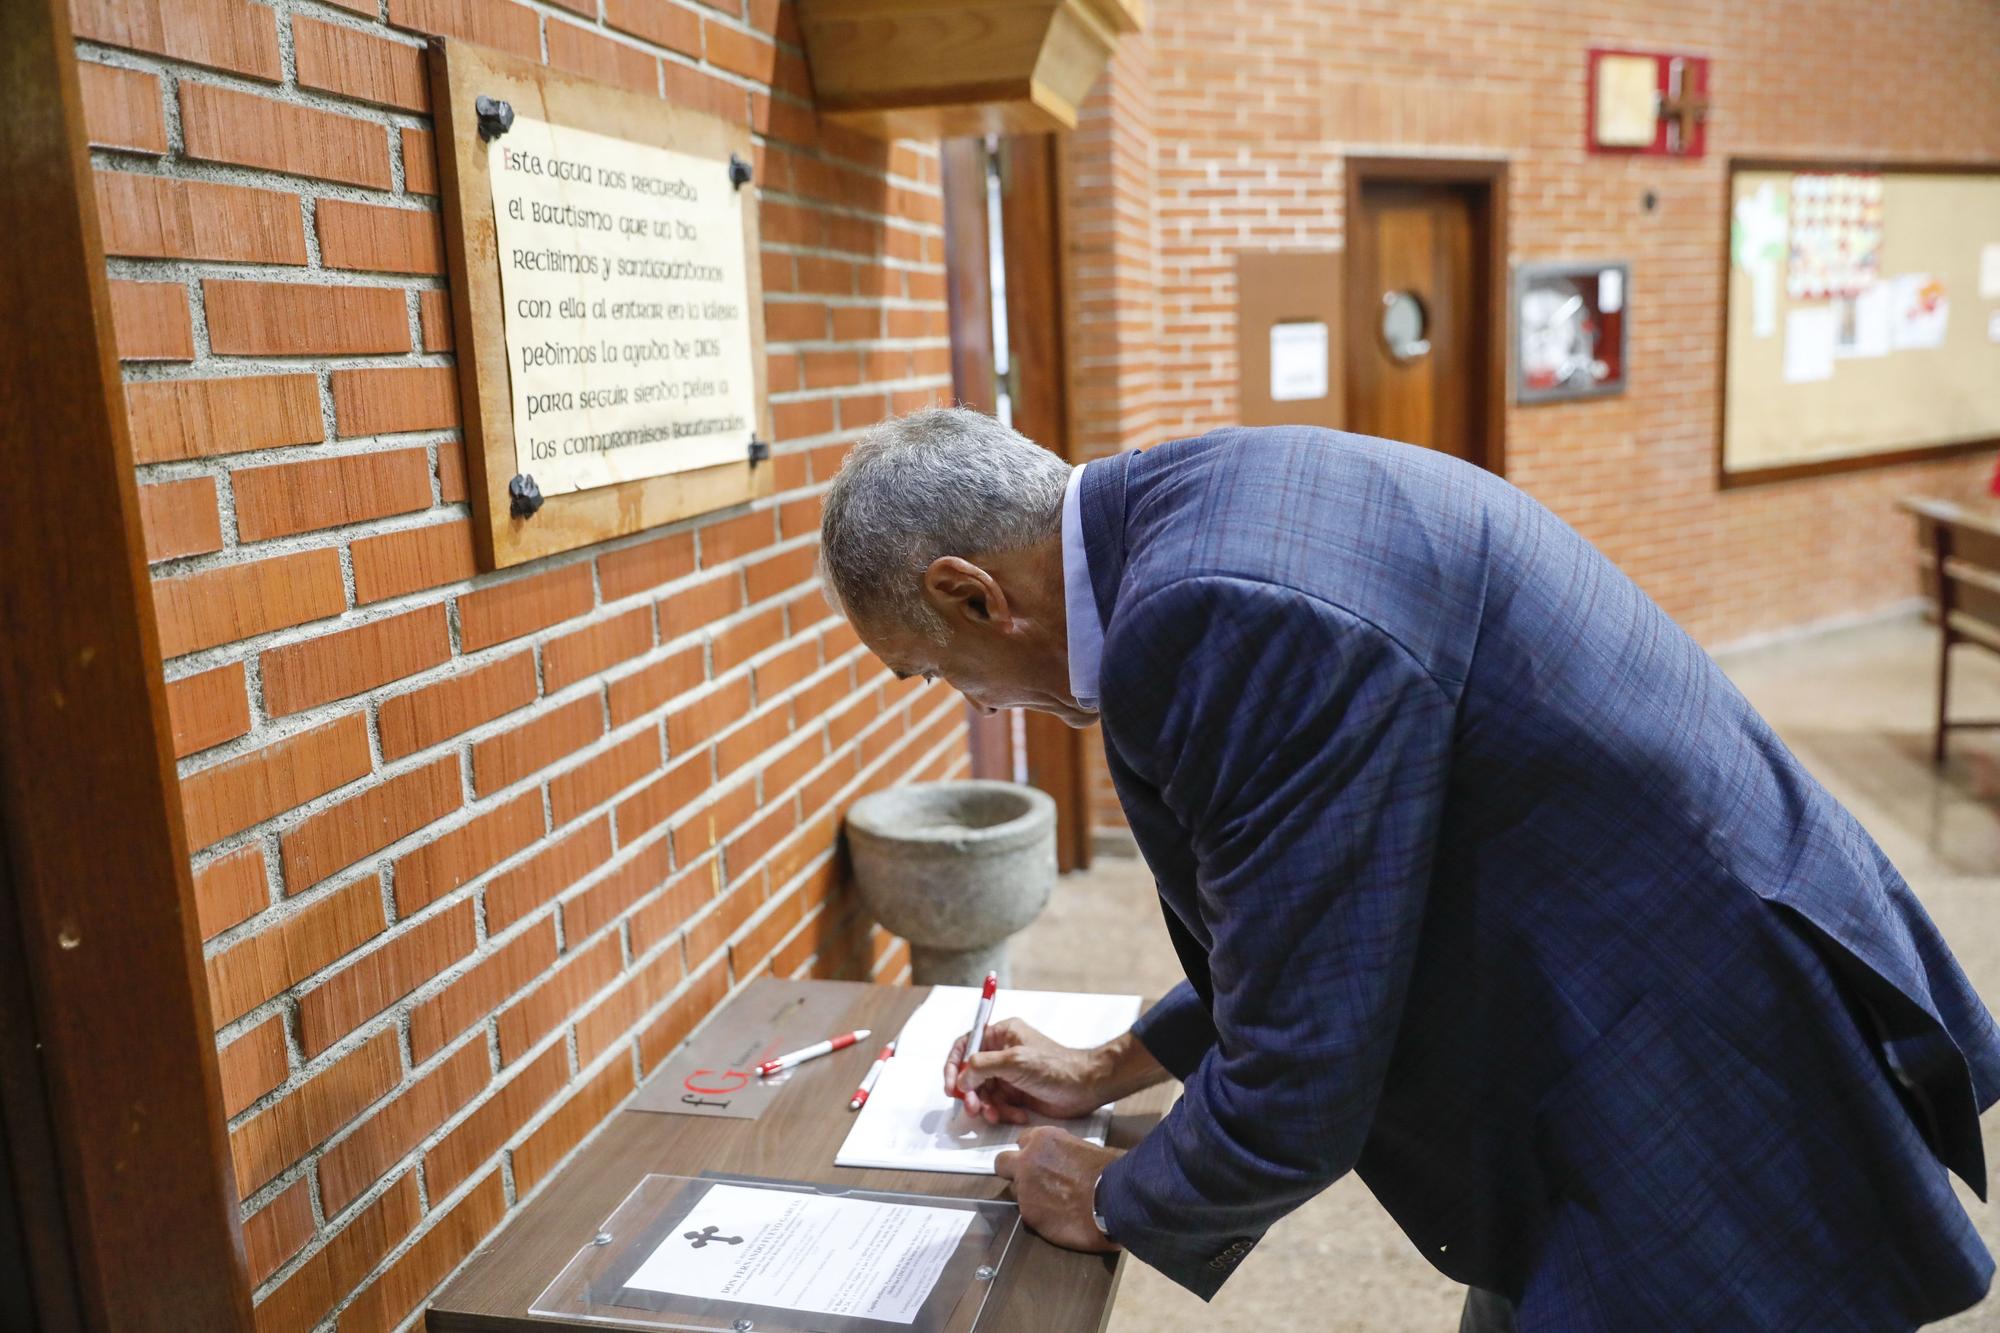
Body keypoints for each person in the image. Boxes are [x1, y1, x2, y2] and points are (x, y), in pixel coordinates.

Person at [815, 407, 2000, 1330]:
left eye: (934, 671)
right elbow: (1320, 913)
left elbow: (1303, 1075)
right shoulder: (1189, 504)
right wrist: (1114, 1063)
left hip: (1689, 1058)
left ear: (970, 593)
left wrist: (1115, 1197)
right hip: (1626, 983)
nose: (971, 701)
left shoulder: (1211, 618)